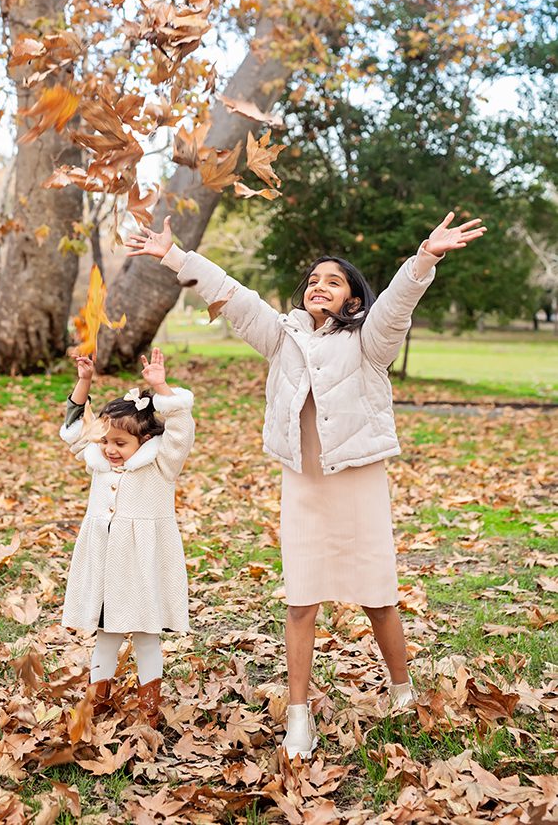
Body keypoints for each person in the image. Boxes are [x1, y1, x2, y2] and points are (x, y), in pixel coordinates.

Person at [127, 211, 486, 756]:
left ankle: (402, 691)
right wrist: (175, 255)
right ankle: (299, 716)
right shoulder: (282, 337)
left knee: (378, 597)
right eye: (314, 280)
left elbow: (397, 303)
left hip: (359, 482)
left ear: (352, 302)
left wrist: (425, 257)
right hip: (303, 482)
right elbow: (231, 295)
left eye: (334, 281)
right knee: (300, 601)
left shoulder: (371, 340)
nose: (320, 286)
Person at [59, 347, 195, 727]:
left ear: (145, 439)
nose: (110, 450)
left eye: (121, 444)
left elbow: (181, 429)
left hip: (144, 562)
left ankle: (148, 709)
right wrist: (84, 381)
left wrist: (161, 386)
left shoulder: (161, 462)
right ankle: (96, 701)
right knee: (106, 632)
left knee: (147, 635)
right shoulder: (98, 460)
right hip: (106, 562)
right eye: (107, 441)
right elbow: (73, 425)